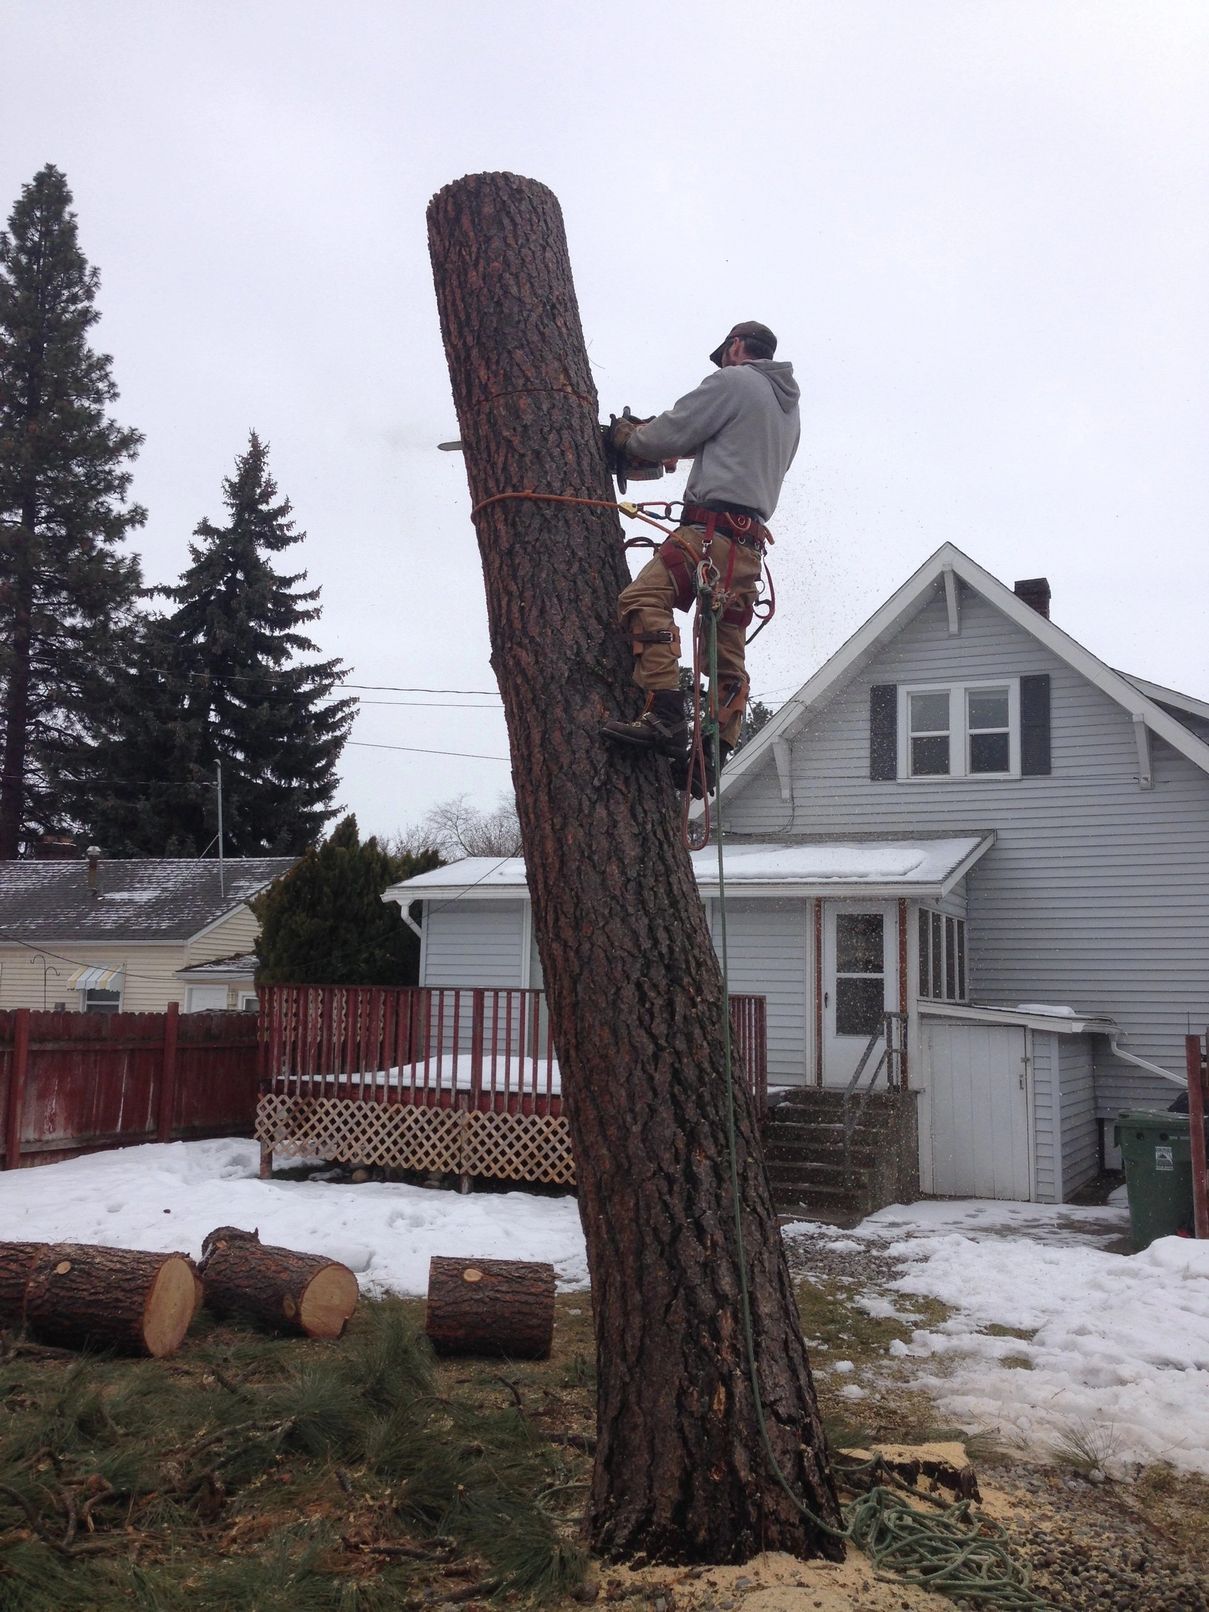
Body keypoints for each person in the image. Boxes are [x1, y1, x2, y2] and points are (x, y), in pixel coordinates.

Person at [601, 321, 800, 793]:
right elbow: (720, 443)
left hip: (707, 537)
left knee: (642, 600)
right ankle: (713, 755)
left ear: (735, 347)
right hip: (746, 551)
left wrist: (629, 438)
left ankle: (664, 714)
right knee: (726, 656)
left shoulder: (734, 380)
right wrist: (682, 450)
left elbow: (663, 436)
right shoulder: (786, 411)